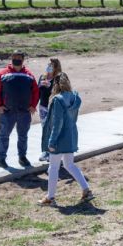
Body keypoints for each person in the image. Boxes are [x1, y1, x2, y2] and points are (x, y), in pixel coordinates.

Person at [38, 72, 94, 207]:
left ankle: (50, 197)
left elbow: (57, 123)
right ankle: (86, 190)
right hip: (71, 136)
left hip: (59, 139)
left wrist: (51, 141)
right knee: (69, 164)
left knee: (53, 167)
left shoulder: (58, 100)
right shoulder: (75, 97)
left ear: (56, 84)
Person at [0, 50, 39, 169]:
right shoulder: (3, 74)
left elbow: (35, 92)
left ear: (23, 59)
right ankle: (1, 158)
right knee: (4, 135)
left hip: (25, 112)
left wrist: (33, 105)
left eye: (19, 57)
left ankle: (22, 157)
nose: (16, 59)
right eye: (14, 57)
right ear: (11, 58)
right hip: (7, 112)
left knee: (23, 136)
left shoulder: (29, 75)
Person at [38, 57, 62, 162]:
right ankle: (45, 152)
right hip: (43, 107)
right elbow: (36, 92)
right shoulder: (42, 77)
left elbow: (62, 93)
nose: (48, 67)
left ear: (56, 67)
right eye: (48, 64)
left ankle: (54, 152)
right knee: (44, 129)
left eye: (51, 65)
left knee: (53, 130)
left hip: (54, 108)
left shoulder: (58, 79)